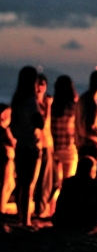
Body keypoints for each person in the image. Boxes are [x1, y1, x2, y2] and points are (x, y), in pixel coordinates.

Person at [10, 66, 44, 226]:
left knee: (21, 184)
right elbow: (40, 123)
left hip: (20, 146)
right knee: (29, 185)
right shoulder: (31, 101)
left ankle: (20, 217)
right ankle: (26, 221)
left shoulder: (17, 100)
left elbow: (13, 125)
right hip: (31, 146)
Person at [52, 156, 97, 232]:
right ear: (92, 169)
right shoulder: (95, 184)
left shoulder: (68, 182)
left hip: (62, 223)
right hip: (83, 224)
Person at [51, 75, 79, 185]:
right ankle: (64, 202)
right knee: (67, 182)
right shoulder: (74, 106)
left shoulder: (52, 106)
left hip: (54, 148)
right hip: (68, 146)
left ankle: (53, 202)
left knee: (56, 183)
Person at [34, 73, 54, 217]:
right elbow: (43, 124)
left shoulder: (41, 103)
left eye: (43, 84)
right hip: (40, 144)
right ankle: (39, 210)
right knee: (41, 179)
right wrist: (48, 107)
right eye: (38, 84)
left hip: (48, 144)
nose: (41, 87)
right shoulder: (35, 104)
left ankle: (43, 207)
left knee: (52, 180)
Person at [0, 103, 16, 214]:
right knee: (6, 184)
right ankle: (1, 208)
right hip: (6, 158)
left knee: (11, 183)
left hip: (8, 158)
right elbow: (12, 143)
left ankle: (2, 205)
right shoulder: (4, 129)